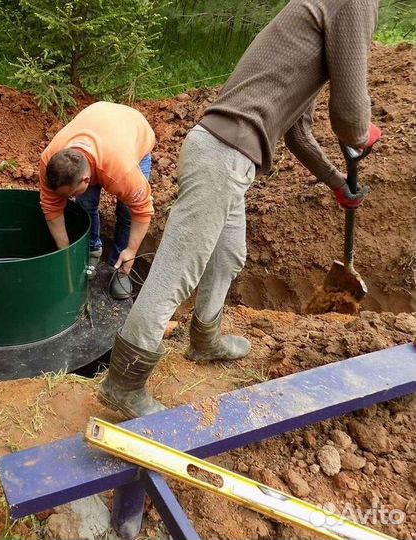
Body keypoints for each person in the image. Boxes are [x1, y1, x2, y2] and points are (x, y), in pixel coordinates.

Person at [99, 0, 383, 418]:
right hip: (222, 156)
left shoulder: (316, 17)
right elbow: (350, 115)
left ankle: (205, 339)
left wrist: (337, 183)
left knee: (229, 254)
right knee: (177, 270)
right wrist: (363, 132)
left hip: (228, 156)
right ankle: (123, 384)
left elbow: (299, 132)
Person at [39, 101, 156, 299]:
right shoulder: (49, 160)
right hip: (99, 123)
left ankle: (119, 270)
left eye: (70, 194)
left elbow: (142, 211)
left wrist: (132, 252)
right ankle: (93, 251)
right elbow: (51, 208)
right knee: (85, 204)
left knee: (127, 212)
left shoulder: (122, 172)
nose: (67, 200)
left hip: (134, 133)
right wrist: (67, 253)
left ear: (86, 179)